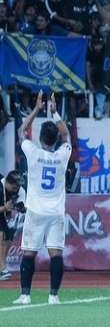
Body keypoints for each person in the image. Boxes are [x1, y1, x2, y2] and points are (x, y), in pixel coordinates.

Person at [14, 93, 71, 305]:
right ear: (55, 139)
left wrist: (37, 109)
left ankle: (25, 295)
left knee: (29, 252)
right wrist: (54, 111)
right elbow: (67, 136)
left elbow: (21, 131)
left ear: (40, 138)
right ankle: (53, 295)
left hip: (36, 211)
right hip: (56, 212)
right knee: (56, 253)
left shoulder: (33, 153)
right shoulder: (62, 155)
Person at [0, 170, 25, 280]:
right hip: (2, 212)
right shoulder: (0, 188)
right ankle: (2, 269)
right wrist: (5, 208)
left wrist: (22, 208)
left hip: (6, 217)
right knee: (1, 237)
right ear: (7, 183)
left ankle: (2, 265)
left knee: (8, 239)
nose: (16, 190)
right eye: (14, 188)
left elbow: (24, 207)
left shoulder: (20, 190)